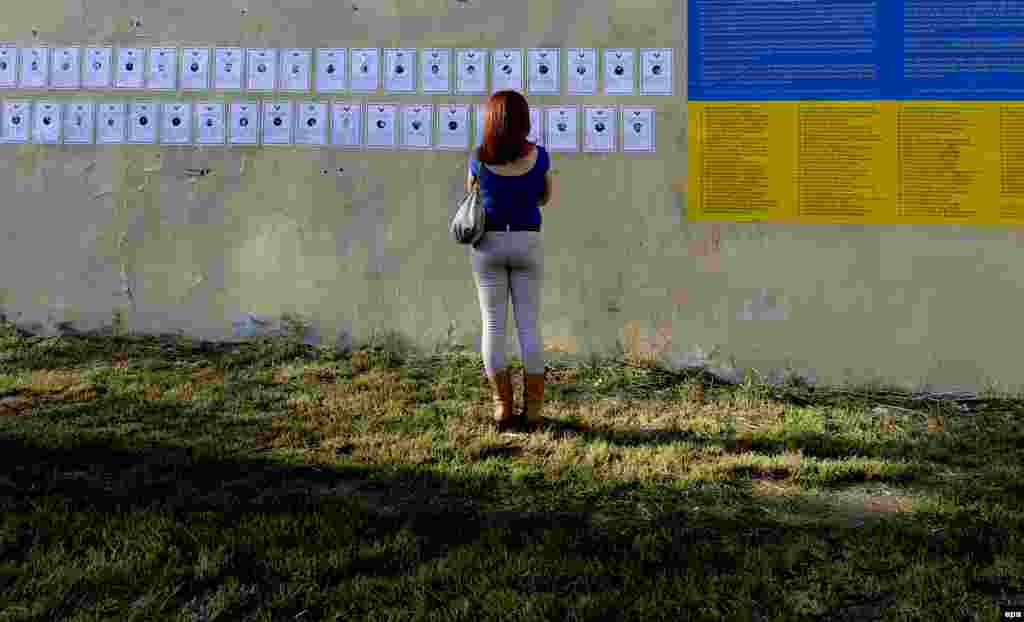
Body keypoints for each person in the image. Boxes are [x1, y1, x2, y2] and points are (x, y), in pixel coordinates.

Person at [466, 90, 553, 433]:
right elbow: (545, 197)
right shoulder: (539, 156)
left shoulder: (478, 157)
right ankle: (532, 411)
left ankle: (502, 407)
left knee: (493, 327)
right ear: (524, 120)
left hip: (487, 246)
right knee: (529, 327)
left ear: (491, 120)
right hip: (527, 241)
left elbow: (472, 195)